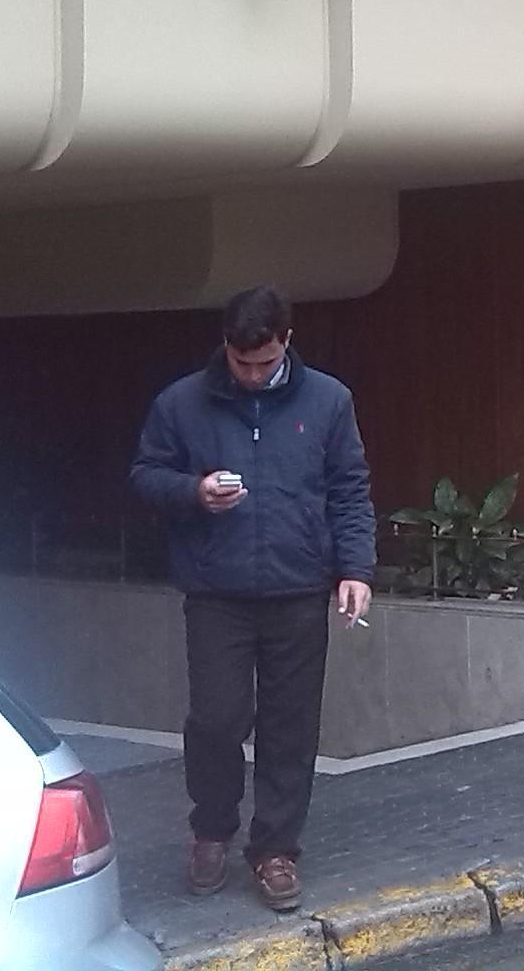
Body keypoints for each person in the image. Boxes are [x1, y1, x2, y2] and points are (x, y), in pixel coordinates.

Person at [130, 286, 375, 915]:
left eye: (264, 363)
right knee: (215, 718)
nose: (252, 374)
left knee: (291, 725)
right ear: (225, 347)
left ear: (286, 342)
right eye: (242, 363)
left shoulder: (329, 400)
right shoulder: (182, 402)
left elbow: (350, 487)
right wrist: (195, 491)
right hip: (216, 590)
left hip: (299, 585)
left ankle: (276, 850)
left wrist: (355, 569)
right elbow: (145, 475)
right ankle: (212, 829)